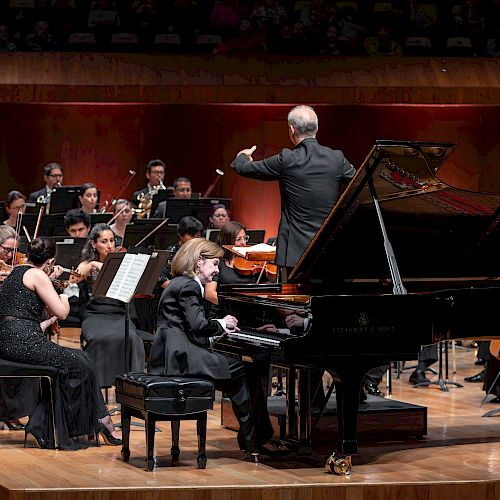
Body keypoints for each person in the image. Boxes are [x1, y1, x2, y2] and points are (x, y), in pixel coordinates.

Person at [148, 238, 274, 456]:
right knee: (242, 370)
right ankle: (253, 443)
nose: (218, 270)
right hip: (180, 359)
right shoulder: (189, 285)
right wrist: (224, 323)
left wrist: (217, 336)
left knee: (244, 370)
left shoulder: (180, 282)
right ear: (199, 261)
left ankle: (254, 438)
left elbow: (189, 329)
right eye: (215, 264)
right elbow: (199, 325)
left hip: (174, 354)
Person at [0, 237, 121, 448]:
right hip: (23, 343)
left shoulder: (16, 272)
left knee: (81, 358)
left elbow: (33, 322)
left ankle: (90, 422)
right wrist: (64, 294)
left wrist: (49, 317)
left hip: (10, 340)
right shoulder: (38, 275)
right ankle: (96, 423)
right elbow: (63, 312)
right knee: (81, 362)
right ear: (50, 260)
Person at [231, 105, 356, 274]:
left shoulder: (287, 159)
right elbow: (361, 182)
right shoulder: (337, 158)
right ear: (317, 128)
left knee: (294, 298)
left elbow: (245, 168)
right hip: (329, 250)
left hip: (294, 255)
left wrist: (243, 156)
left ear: (291, 129)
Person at [75, 223, 147, 389]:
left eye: (112, 241)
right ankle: (96, 386)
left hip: (119, 313)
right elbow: (75, 278)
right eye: (104, 241)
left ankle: (131, 386)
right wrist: (93, 264)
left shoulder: (124, 263)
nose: (109, 245)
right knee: (98, 339)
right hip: (95, 314)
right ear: (94, 244)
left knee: (132, 339)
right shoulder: (87, 264)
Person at [157, 216, 204, 290]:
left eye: (198, 236)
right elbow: (162, 280)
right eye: (191, 235)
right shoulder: (171, 253)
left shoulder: (203, 254)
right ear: (180, 234)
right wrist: (184, 289)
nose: (195, 240)